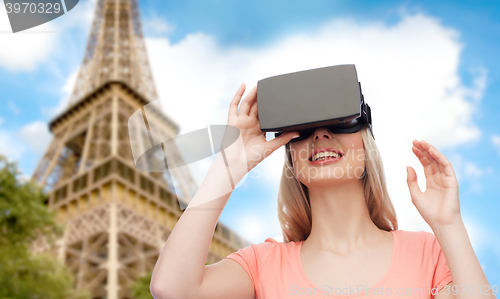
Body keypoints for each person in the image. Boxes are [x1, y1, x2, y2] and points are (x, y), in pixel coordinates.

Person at [150, 83, 496, 299]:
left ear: (366, 143)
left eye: (341, 120)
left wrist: (449, 225)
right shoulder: (263, 266)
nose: (320, 134)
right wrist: (229, 165)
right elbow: (173, 289)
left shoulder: (429, 253)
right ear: (290, 157)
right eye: (302, 130)